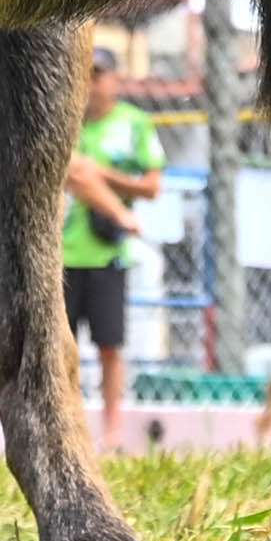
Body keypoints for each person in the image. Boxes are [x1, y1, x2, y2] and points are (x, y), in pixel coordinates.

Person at [57, 35, 166, 457]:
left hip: (108, 252)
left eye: (98, 75)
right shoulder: (65, 121)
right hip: (63, 252)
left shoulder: (134, 123)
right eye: (84, 75)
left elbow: (152, 187)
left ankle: (113, 430)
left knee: (109, 345)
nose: (90, 83)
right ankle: (70, 427)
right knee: (63, 346)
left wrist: (99, 177)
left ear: (114, 79)